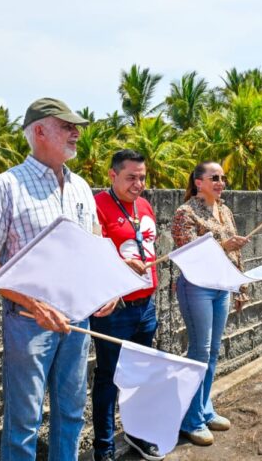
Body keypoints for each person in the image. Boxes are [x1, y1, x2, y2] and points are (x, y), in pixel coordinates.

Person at [0, 98, 112, 461]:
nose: (76, 133)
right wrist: (33, 304)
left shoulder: (81, 187)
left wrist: (107, 286)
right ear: (39, 131)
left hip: (77, 318)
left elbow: (94, 244)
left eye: (75, 127)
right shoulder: (7, 186)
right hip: (28, 321)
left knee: (70, 412)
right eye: (66, 126)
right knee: (24, 421)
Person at [90, 150, 163, 461]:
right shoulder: (98, 205)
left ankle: (136, 434)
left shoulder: (144, 205)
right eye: (131, 177)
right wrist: (121, 264)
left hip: (145, 305)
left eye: (143, 177)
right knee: (108, 377)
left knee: (139, 374)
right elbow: (92, 254)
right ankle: (103, 447)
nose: (138, 183)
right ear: (112, 175)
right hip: (116, 308)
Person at [171, 161, 249, 446]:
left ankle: (204, 409)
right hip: (197, 287)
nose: (220, 182)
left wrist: (240, 286)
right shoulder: (185, 212)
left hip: (222, 286)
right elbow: (187, 252)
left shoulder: (225, 210)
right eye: (214, 178)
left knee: (213, 351)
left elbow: (235, 252)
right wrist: (223, 245)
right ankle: (190, 419)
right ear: (198, 181)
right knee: (199, 352)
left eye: (223, 178)